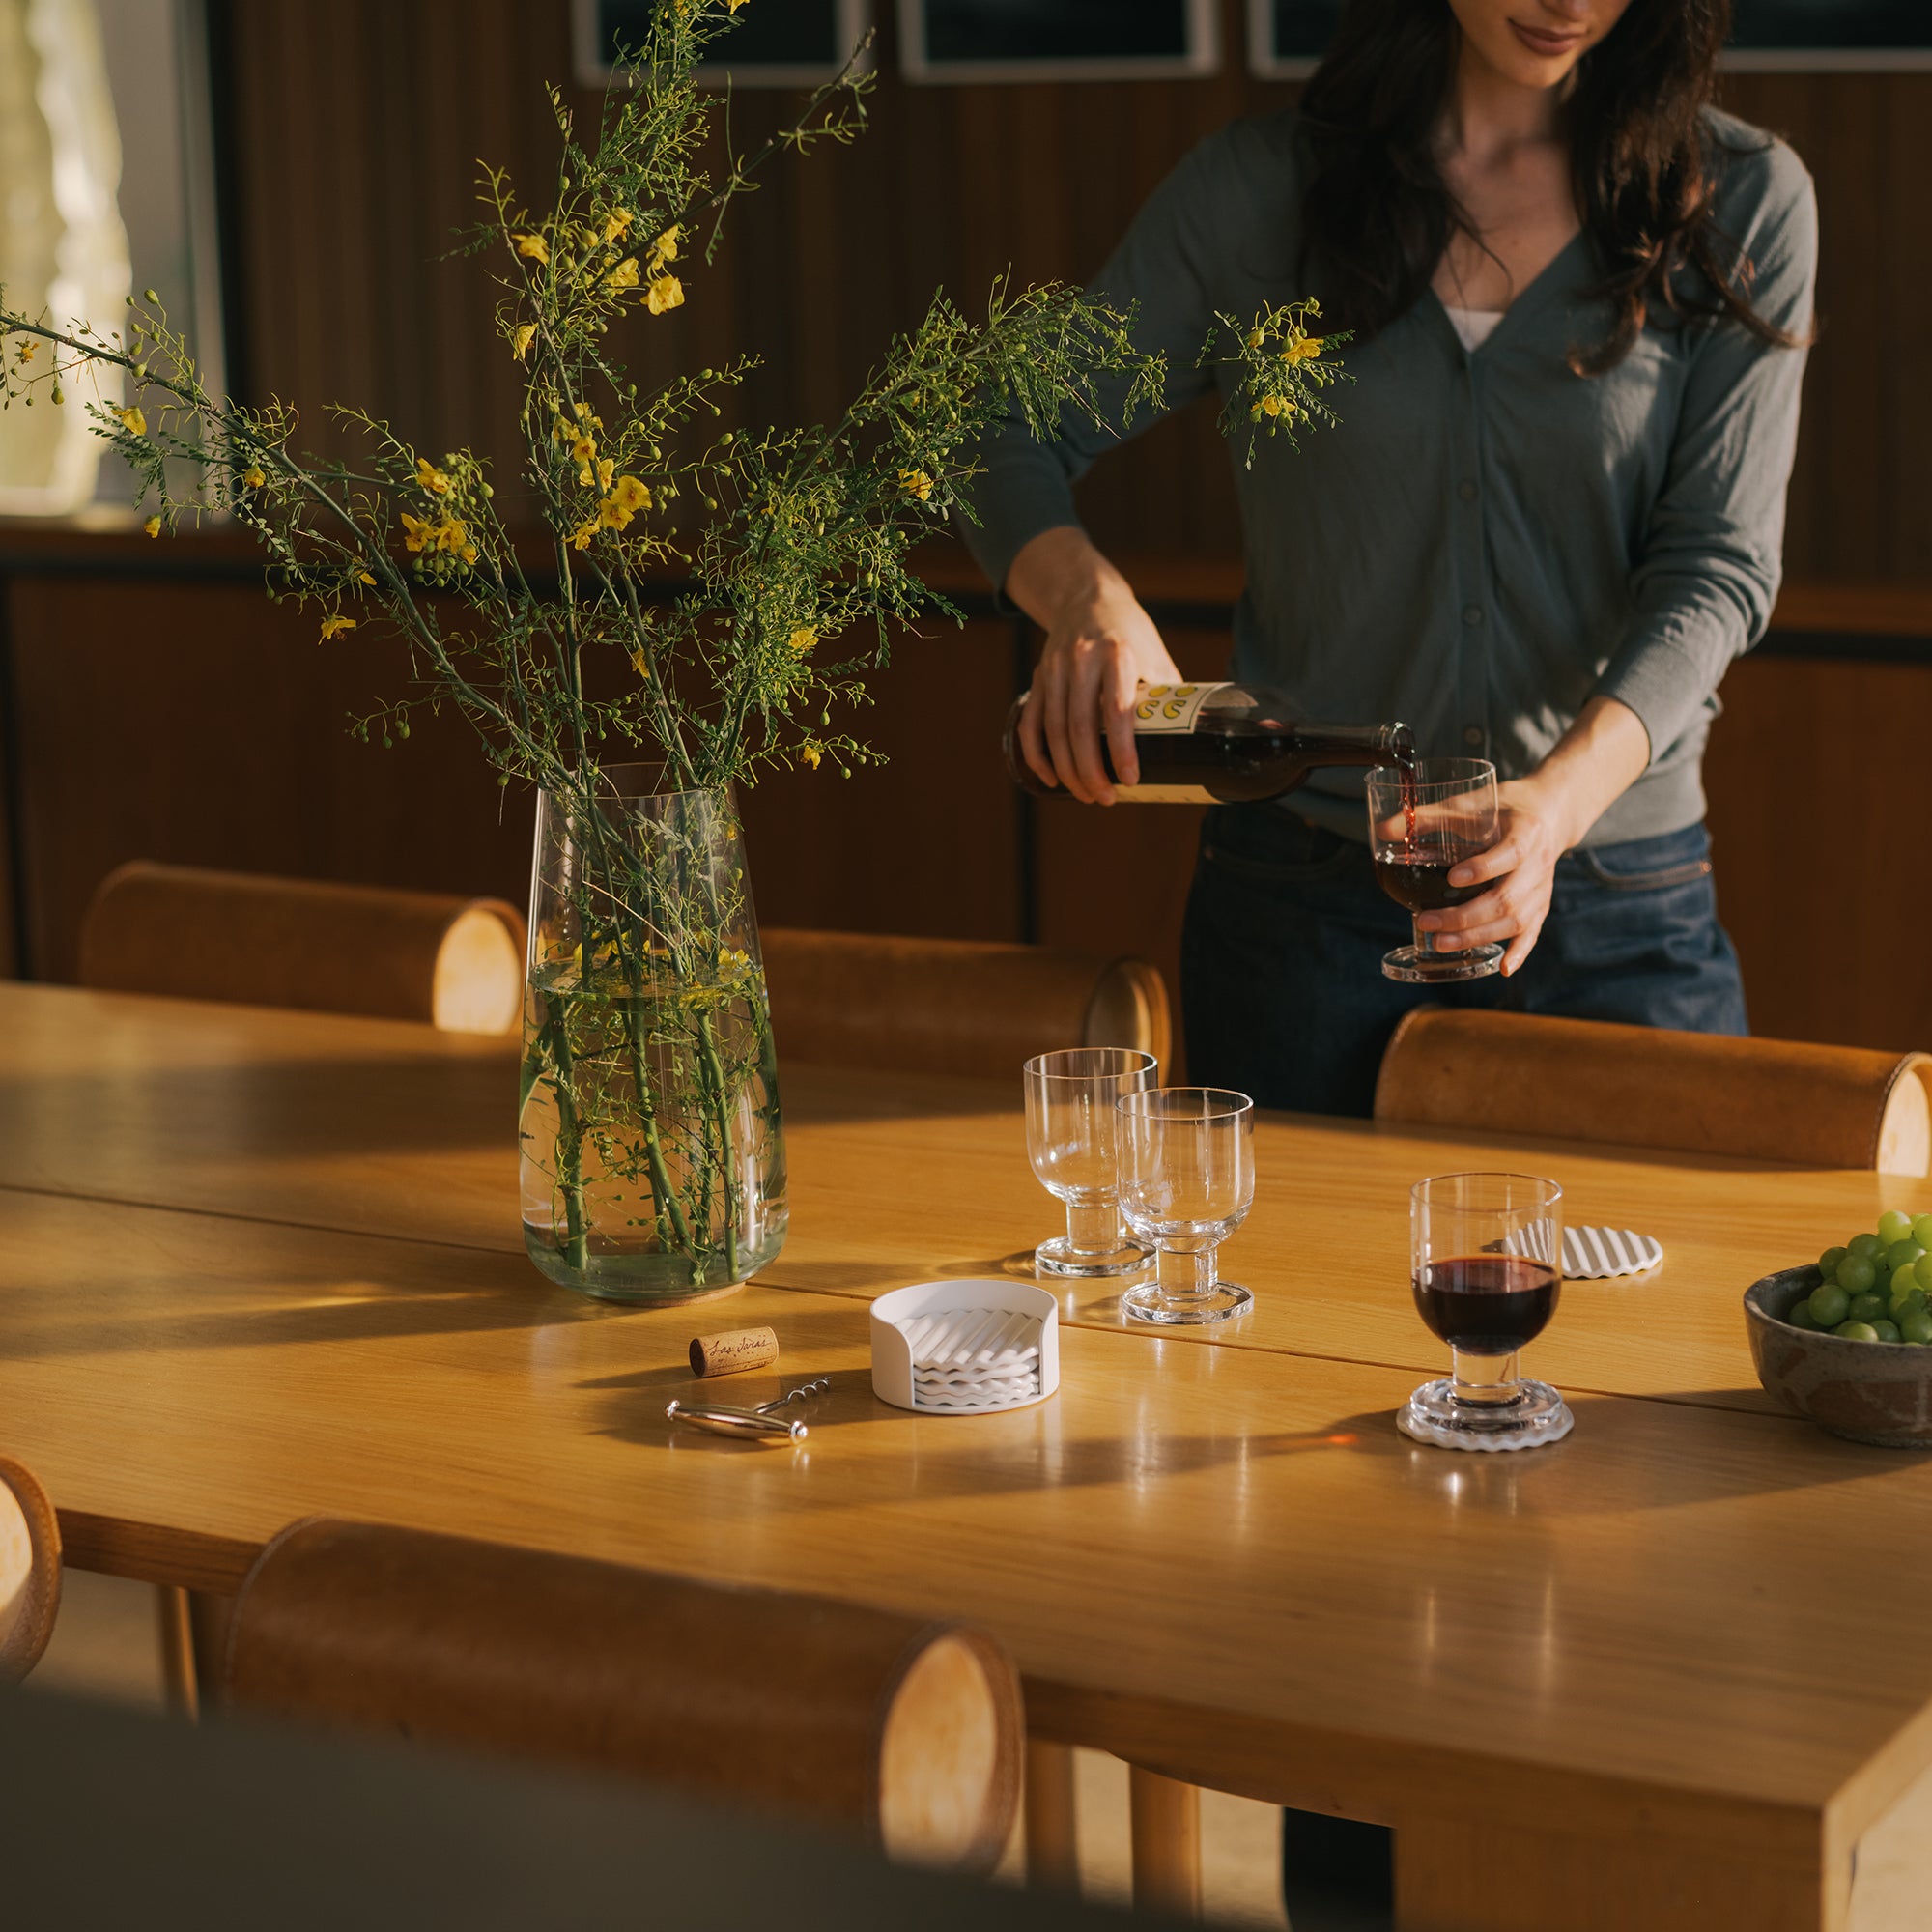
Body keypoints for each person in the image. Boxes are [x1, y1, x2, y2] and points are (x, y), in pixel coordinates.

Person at [957, 0, 1816, 1127]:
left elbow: (1718, 563)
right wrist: (1087, 602)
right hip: (1301, 905)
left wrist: (1553, 810)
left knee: (1664, 1293)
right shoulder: (1258, 195)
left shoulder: (1740, 198)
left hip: (1617, 902)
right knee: (1286, 1297)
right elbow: (989, 425)